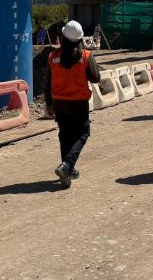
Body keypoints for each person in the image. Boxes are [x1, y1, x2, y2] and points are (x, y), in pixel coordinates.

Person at [47, 21, 101, 188]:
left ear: (64, 37)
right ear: (80, 38)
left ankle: (67, 171)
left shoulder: (53, 56)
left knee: (65, 135)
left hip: (59, 102)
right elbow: (96, 78)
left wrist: (48, 105)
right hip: (78, 103)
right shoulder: (85, 55)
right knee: (82, 134)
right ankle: (67, 165)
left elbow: (47, 83)